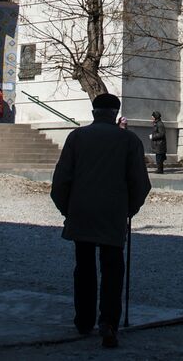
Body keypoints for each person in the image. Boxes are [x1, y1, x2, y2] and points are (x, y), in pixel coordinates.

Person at [51, 92, 152, 348]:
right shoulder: (129, 140)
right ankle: (108, 322)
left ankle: (83, 321)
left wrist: (67, 210)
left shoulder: (76, 137)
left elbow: (60, 181)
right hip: (113, 214)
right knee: (113, 269)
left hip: (82, 212)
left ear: (93, 112)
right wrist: (130, 209)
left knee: (83, 268)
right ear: (115, 114)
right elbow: (140, 183)